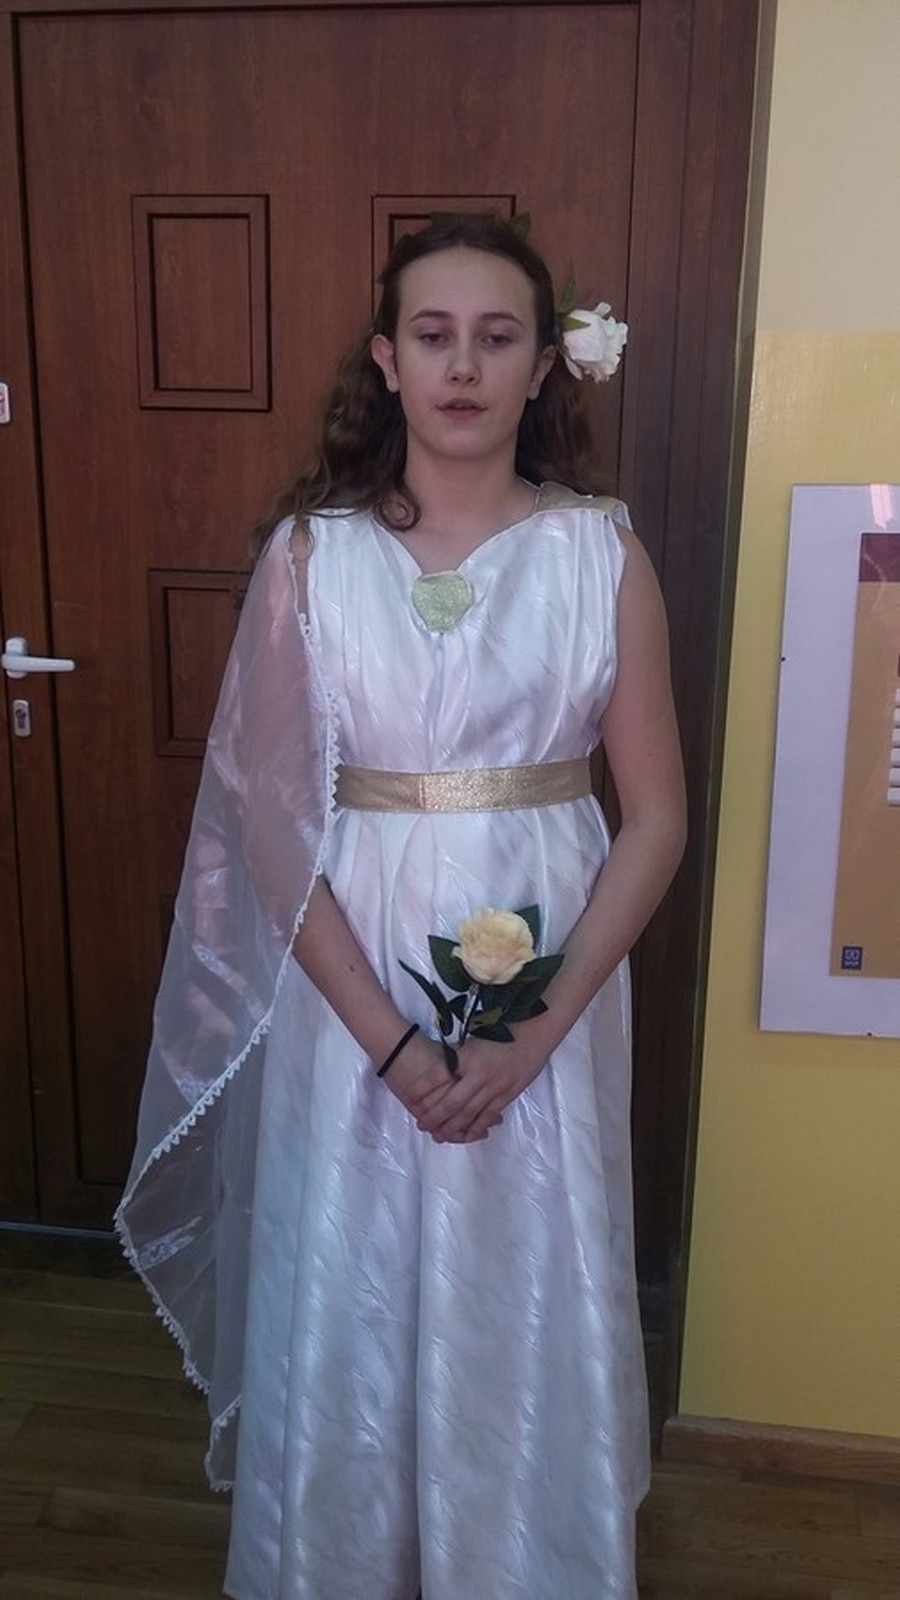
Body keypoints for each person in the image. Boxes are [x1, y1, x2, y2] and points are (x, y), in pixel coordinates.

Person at [116, 214, 686, 1600]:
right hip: (349, 988)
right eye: (434, 337)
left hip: (549, 989)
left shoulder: (601, 554)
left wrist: (532, 1034)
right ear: (387, 360)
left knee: (522, 1268)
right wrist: (389, 1041)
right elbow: (269, 827)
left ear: (545, 365)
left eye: (498, 339)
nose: (464, 368)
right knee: (351, 1267)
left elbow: (658, 819)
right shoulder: (311, 559)